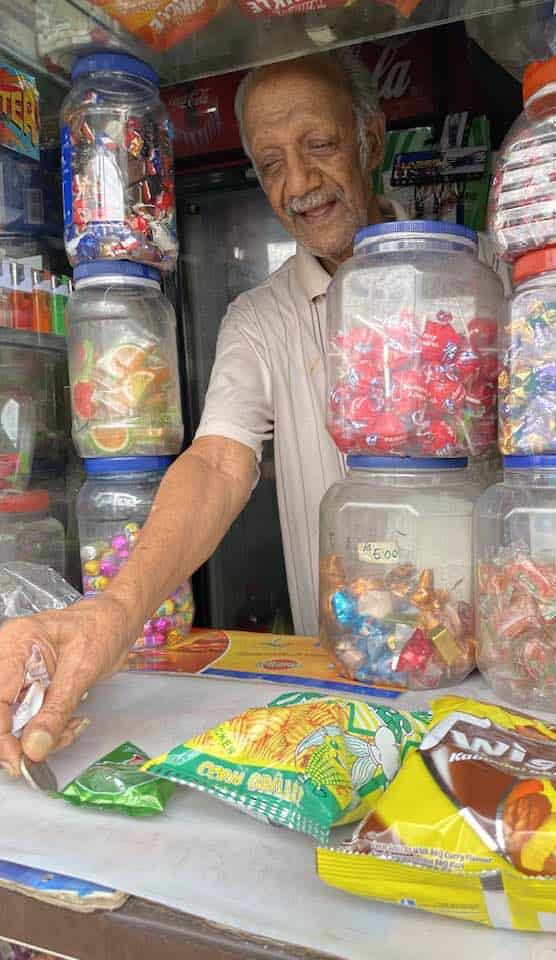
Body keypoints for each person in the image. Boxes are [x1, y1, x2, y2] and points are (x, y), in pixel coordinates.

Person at [0, 50, 395, 777]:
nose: (300, 184)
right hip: (345, 680)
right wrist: (112, 614)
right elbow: (217, 461)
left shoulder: (487, 274)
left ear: (369, 138)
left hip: (496, 661)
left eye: (319, 146)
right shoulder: (259, 319)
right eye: (271, 162)